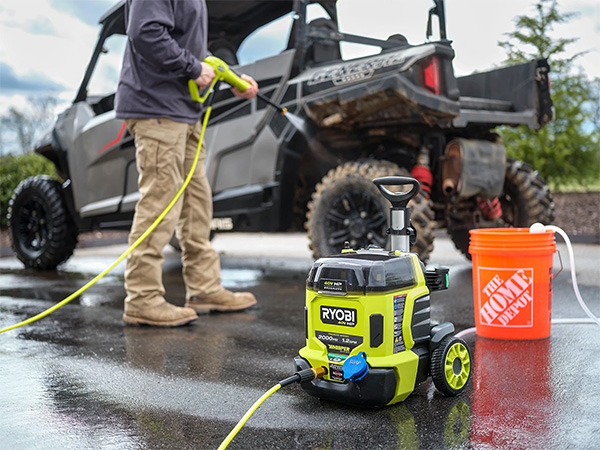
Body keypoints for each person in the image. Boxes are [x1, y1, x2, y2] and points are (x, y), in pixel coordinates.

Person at [115, 0, 259, 327]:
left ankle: (205, 288)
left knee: (197, 202)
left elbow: (193, 48)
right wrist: (194, 69)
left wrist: (233, 78)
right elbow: (146, 32)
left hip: (184, 112)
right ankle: (142, 298)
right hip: (157, 109)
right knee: (161, 202)